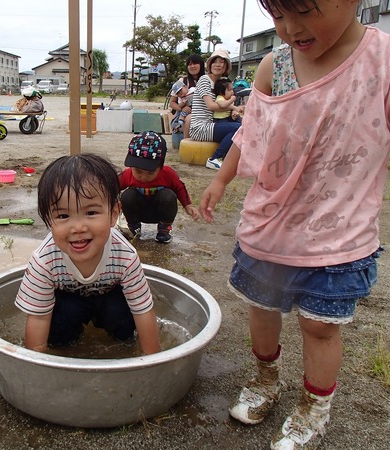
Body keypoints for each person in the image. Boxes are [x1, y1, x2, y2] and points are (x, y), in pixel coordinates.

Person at [199, 1, 390, 448]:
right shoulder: (273, 65)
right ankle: (266, 379)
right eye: (278, 16)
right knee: (262, 309)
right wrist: (222, 180)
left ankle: (314, 407)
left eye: (304, 10)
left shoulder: (382, 62)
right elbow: (251, 135)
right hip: (271, 226)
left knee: (320, 327)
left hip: (340, 230)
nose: (290, 28)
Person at [15, 153, 161, 355]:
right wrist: (37, 363)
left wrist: (152, 359)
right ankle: (64, 344)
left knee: (122, 316)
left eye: (91, 213)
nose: (78, 227)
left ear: (113, 214)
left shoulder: (125, 256)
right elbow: (39, 318)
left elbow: (143, 311)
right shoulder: (45, 260)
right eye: (63, 216)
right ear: (49, 220)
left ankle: (124, 345)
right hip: (69, 301)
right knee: (58, 327)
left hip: (110, 299)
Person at [119, 131, 199, 244]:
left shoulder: (168, 174)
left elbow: (179, 187)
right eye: (138, 171)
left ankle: (164, 230)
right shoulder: (128, 175)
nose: (144, 177)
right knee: (127, 195)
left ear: (160, 167)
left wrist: (188, 205)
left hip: (160, 211)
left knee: (168, 195)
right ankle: (134, 228)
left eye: (150, 173)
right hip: (138, 211)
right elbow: (112, 186)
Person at [189, 49, 242, 171]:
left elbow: (226, 100)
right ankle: (215, 158)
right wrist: (233, 107)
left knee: (242, 124)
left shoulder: (221, 82)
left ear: (226, 66)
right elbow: (211, 106)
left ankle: (236, 159)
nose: (218, 65)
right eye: (215, 62)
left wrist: (234, 111)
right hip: (200, 127)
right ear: (210, 65)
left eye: (222, 62)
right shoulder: (204, 80)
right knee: (237, 129)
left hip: (214, 122)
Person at [170, 54, 205, 138]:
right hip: (185, 115)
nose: (192, 66)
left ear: (201, 65)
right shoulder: (182, 81)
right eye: (189, 64)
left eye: (195, 63)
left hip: (203, 113)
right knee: (188, 119)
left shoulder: (207, 80)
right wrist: (182, 108)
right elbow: (172, 103)